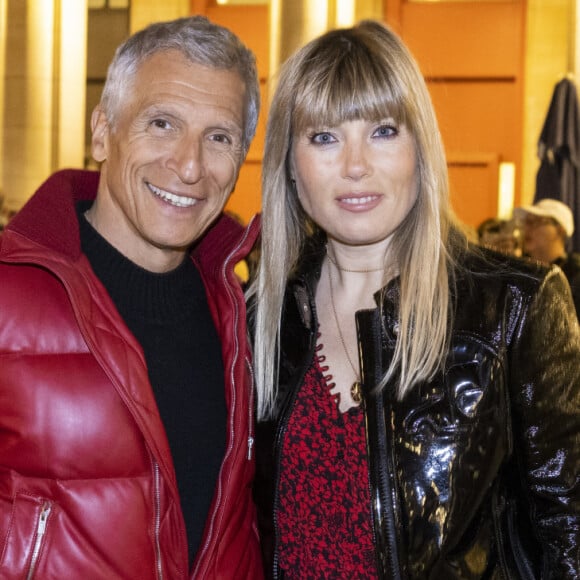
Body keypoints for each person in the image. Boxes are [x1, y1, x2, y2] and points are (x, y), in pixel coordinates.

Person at [249, 20, 580, 579]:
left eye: (382, 131)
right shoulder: (261, 319)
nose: (355, 166)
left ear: (420, 149)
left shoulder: (513, 307)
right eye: (324, 137)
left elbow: (567, 539)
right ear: (289, 165)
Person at [0, 16, 263, 579]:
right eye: (162, 123)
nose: (190, 166)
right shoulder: (7, 298)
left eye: (219, 138)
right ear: (102, 132)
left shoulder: (244, 313)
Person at [515, 197, 580, 317]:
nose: (528, 229)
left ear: (560, 231)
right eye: (527, 222)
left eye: (537, 222)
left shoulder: (575, 274)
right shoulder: (521, 270)